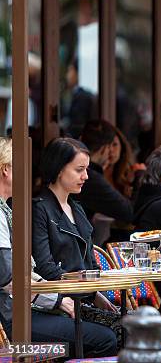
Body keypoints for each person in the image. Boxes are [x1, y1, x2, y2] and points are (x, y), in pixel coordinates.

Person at [0, 137, 117, 358]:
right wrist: (58, 300)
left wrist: (92, 294)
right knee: (108, 337)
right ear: (6, 169)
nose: (27, 175)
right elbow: (10, 279)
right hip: (15, 319)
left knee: (125, 327)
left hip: (35, 307)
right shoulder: (27, 211)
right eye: (21, 167)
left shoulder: (7, 210)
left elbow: (23, 274)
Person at [77, 120, 134, 224]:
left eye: (115, 145)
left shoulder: (74, 169)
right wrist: (140, 176)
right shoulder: (90, 177)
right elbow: (129, 213)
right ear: (104, 149)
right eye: (110, 146)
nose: (111, 151)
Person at [62, 60, 97, 138]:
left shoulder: (83, 96)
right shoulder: (77, 93)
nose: (67, 75)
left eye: (70, 70)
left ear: (78, 73)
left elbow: (77, 123)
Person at [104, 124, 137, 199]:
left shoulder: (128, 175)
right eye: (107, 145)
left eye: (115, 145)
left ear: (122, 147)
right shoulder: (93, 175)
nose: (111, 150)